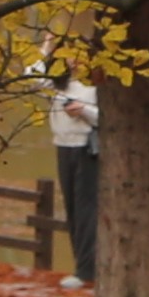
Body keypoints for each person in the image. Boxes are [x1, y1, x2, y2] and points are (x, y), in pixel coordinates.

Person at [48, 72, 103, 283]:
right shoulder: (56, 82)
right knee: (71, 207)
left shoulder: (96, 83)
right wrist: (49, 51)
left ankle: (87, 271)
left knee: (86, 209)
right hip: (63, 145)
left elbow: (108, 118)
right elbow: (30, 78)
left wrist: (84, 110)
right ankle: (82, 265)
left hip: (86, 148)